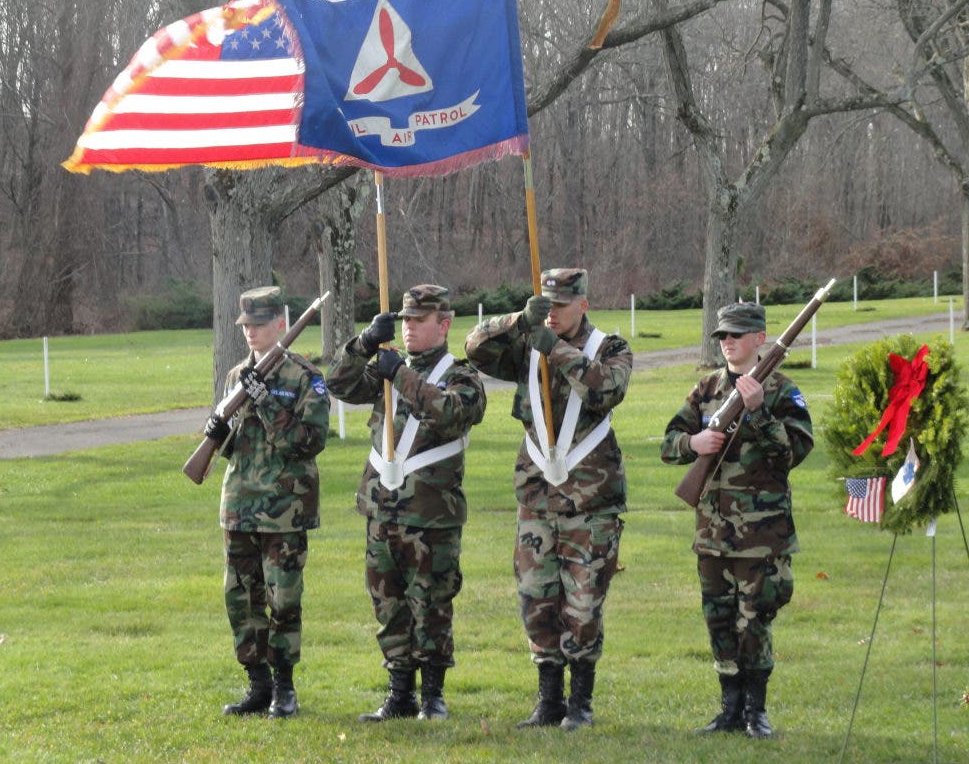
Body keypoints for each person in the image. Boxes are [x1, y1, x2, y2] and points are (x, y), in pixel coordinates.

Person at [464, 268, 632, 731]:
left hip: (590, 501)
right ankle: (549, 702)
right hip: (536, 495)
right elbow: (474, 349)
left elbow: (604, 390)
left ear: (583, 305)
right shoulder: (526, 343)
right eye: (547, 306)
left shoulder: (610, 348)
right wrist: (517, 321)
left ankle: (580, 704)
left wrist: (553, 348)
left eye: (561, 307)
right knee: (536, 600)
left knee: (582, 606)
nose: (553, 315)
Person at [326, 285, 486, 722]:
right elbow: (337, 384)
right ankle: (399, 694)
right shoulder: (387, 368)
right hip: (382, 510)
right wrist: (362, 345)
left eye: (419, 320)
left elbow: (452, 414)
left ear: (444, 324)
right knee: (388, 605)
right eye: (405, 320)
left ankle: (433, 695)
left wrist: (400, 374)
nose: (410, 327)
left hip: (430, 516)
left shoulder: (461, 375)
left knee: (430, 605)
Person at [660, 302, 814, 739]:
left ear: (760, 339)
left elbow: (793, 454)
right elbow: (670, 442)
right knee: (720, 622)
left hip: (762, 537)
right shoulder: (706, 389)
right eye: (722, 336)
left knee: (756, 622)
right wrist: (695, 442)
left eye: (736, 335)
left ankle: (755, 712)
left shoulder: (783, 391)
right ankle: (728, 710)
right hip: (712, 533)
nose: (727, 342)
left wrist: (760, 411)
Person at [202, 285, 330, 720]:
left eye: (259, 325)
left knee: (283, 599)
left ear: (281, 324)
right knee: (240, 598)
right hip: (239, 504)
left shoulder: (303, 376)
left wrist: (267, 401)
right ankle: (257, 685)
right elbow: (229, 444)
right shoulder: (237, 373)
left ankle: (285, 688)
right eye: (246, 327)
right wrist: (216, 428)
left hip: (284, 507)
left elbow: (309, 442)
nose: (251, 333)